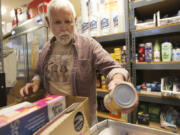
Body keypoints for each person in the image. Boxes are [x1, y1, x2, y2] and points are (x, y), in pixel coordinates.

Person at [20, 0, 138, 127]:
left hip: (83, 118)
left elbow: (113, 67)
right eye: (57, 22)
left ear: (75, 20)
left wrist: (118, 80)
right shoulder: (45, 50)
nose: (64, 28)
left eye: (68, 21)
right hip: (54, 116)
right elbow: (39, 73)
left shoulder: (89, 45)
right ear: (49, 22)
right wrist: (35, 83)